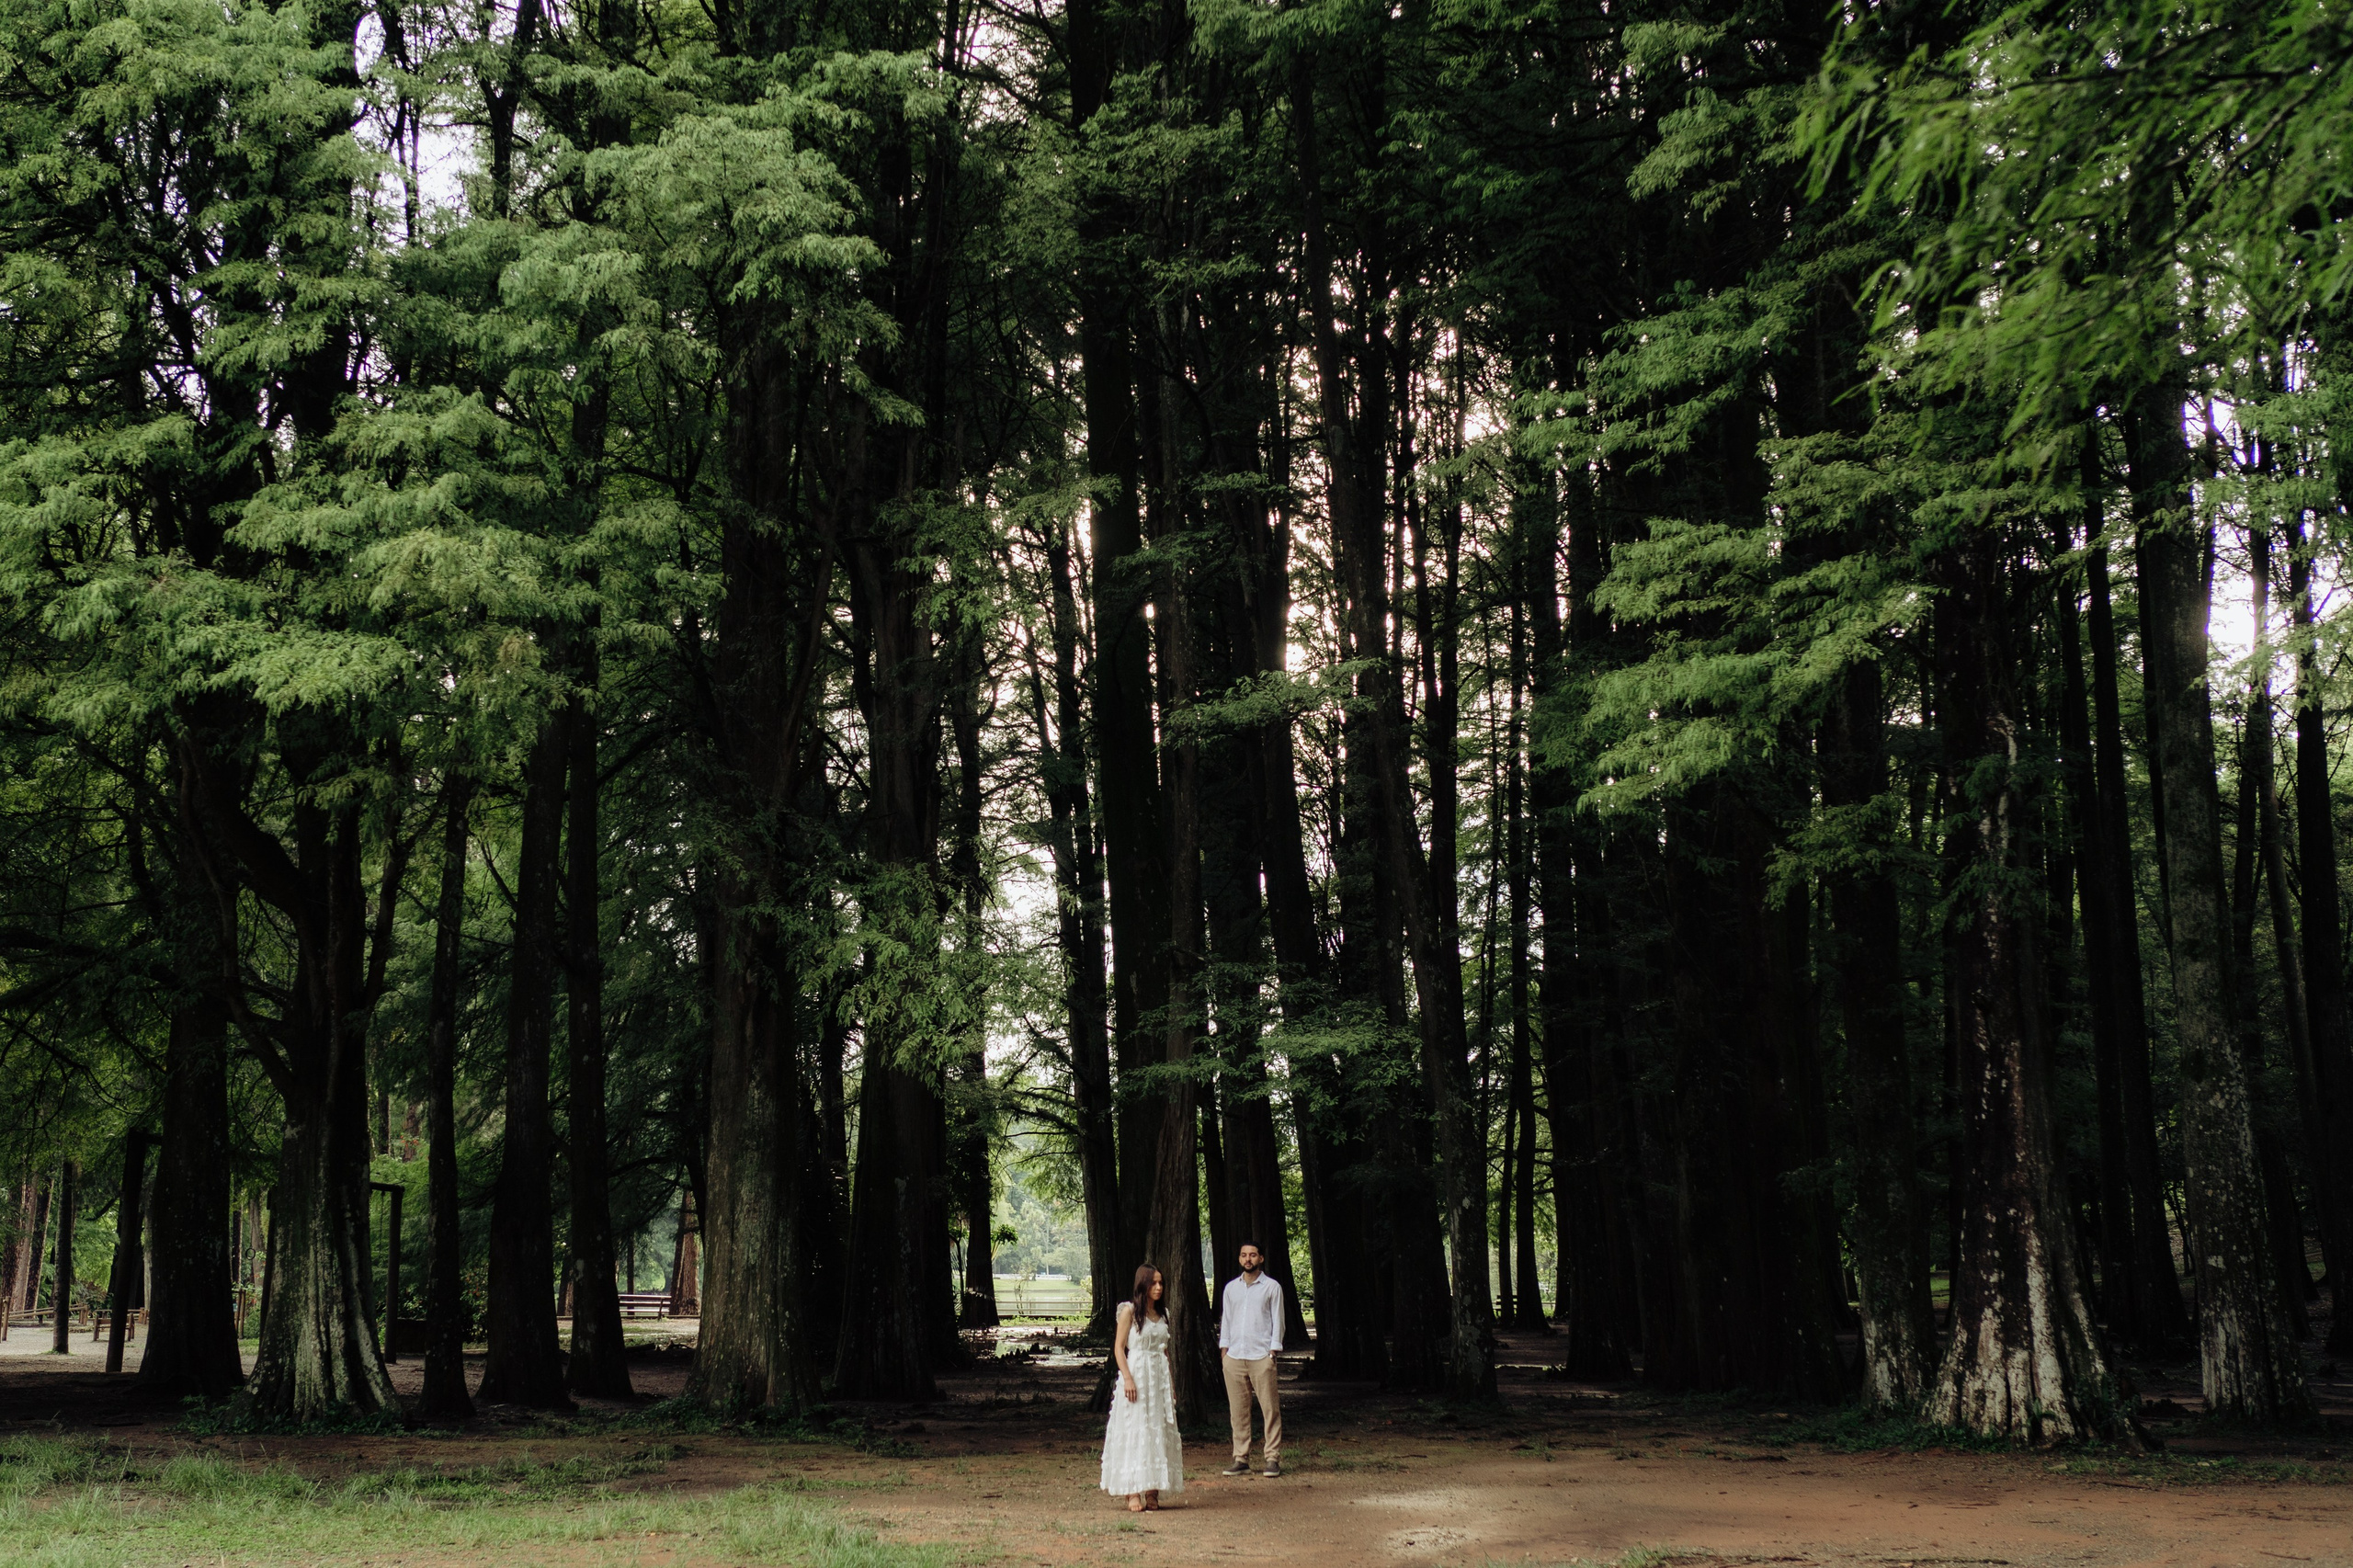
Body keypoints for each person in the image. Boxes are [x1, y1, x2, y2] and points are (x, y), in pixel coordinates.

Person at [1099, 1262, 1184, 1510]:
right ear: (1143, 1284)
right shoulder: (1129, 1311)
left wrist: (1170, 1383)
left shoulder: (1163, 1313)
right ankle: (1132, 1490)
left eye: (1161, 1283)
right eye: (1153, 1283)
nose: (1158, 1287)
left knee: (1157, 1428)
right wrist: (1127, 1378)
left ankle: (1152, 1489)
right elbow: (1119, 1347)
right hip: (1136, 1372)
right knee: (1136, 1428)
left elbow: (1165, 1352)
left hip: (1157, 1376)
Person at [1217, 1241, 1284, 1478]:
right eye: (1244, 1255)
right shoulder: (1230, 1289)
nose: (1248, 1259)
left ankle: (1272, 1458)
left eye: (1253, 1255)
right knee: (1238, 1411)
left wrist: (1273, 1351)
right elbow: (1227, 1319)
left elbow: (1278, 1320)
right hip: (1234, 1356)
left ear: (1261, 1259)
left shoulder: (1272, 1288)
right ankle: (1241, 1458)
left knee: (1270, 1409)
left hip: (1261, 1356)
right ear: (1239, 1259)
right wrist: (1224, 1349)